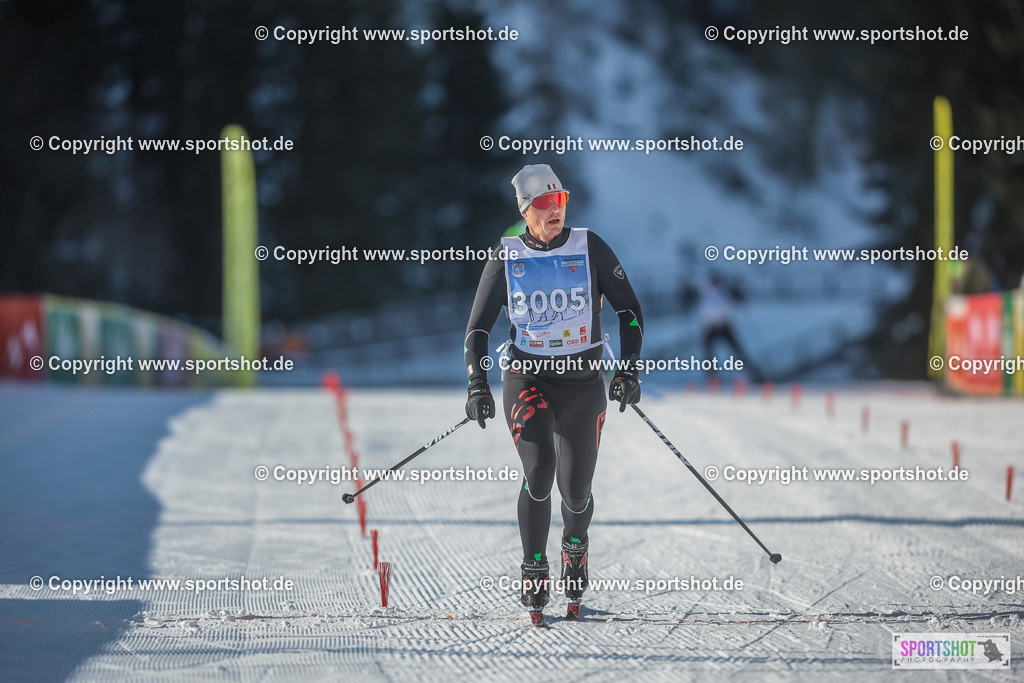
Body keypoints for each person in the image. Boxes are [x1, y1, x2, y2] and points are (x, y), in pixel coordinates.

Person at [463, 164, 644, 620]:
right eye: (544, 203)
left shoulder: (591, 247)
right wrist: (477, 384)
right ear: (526, 211)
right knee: (539, 470)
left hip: (584, 386)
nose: (554, 210)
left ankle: (575, 549)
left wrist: (628, 371)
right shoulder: (506, 257)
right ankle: (534, 566)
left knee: (576, 492)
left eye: (559, 200)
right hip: (528, 381)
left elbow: (631, 311)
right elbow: (477, 330)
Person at [699, 273, 764, 383]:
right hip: (712, 327)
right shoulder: (706, 293)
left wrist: (735, 297)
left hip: (724, 326)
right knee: (708, 351)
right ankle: (712, 376)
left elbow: (730, 305)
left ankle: (752, 373)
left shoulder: (724, 293)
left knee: (737, 350)